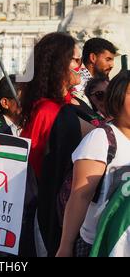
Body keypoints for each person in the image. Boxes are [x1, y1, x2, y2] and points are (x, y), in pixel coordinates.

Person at [20, 32, 82, 256]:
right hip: (53, 213)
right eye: (76, 60)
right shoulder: (46, 111)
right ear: (59, 63)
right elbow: (31, 163)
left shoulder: (77, 104)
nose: (81, 66)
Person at [56, 70, 130, 257]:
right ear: (117, 97)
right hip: (97, 245)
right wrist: (66, 246)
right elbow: (80, 196)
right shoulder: (102, 138)